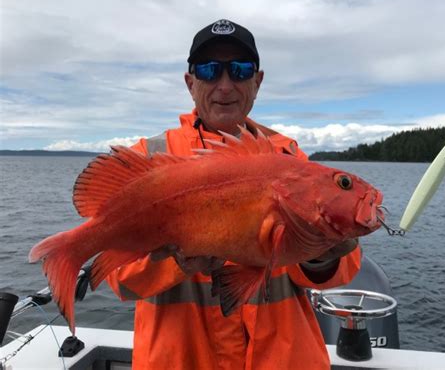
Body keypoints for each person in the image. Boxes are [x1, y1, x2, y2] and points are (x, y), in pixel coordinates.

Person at [107, 19, 361, 370]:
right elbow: (120, 281)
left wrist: (322, 256)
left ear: (257, 82)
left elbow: (340, 270)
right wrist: (175, 261)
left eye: (240, 70)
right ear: (190, 82)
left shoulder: (290, 160)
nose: (224, 85)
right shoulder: (147, 159)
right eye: (209, 70)